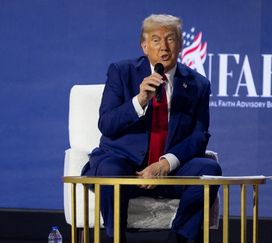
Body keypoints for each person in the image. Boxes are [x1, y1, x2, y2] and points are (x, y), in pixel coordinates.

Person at [81, 14, 222, 243]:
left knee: (209, 170)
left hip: (173, 170)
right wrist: (139, 101)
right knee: (110, 171)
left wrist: (166, 163)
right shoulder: (121, 72)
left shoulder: (198, 84)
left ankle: (180, 237)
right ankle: (115, 238)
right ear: (144, 46)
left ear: (180, 44)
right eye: (156, 40)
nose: (164, 47)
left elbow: (199, 135)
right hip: (125, 165)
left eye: (170, 39)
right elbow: (106, 124)